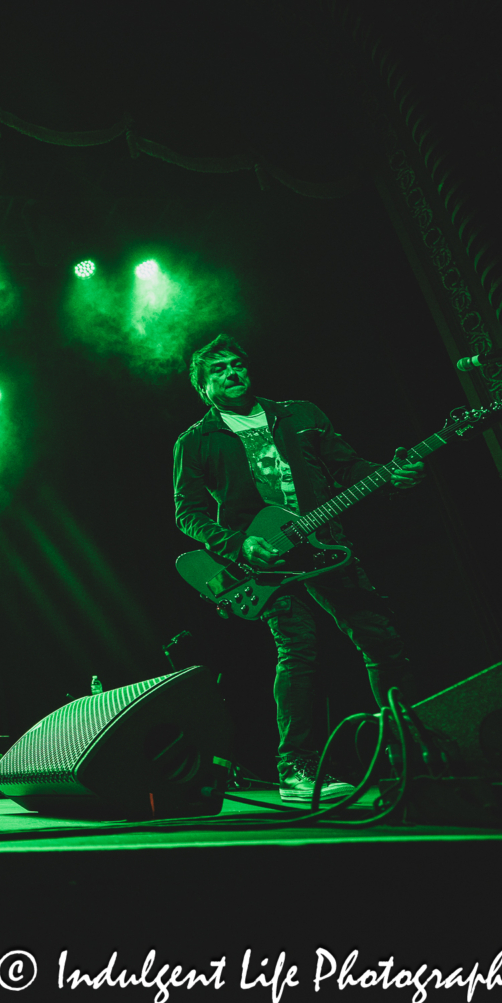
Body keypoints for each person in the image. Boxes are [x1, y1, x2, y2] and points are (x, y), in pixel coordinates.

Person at [173, 334, 423, 802]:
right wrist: (239, 544)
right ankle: (296, 769)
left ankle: (410, 752)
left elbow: (348, 468)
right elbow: (188, 513)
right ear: (203, 386)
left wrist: (391, 477)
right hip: (265, 562)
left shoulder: (300, 414)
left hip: (327, 546)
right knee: (299, 650)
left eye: (237, 364)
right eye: (219, 369)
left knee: (382, 642)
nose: (231, 372)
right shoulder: (195, 442)